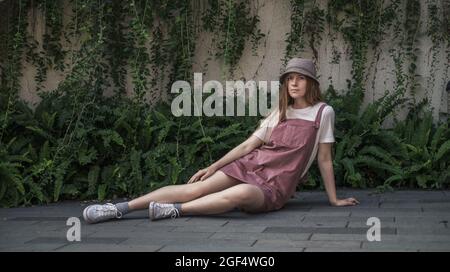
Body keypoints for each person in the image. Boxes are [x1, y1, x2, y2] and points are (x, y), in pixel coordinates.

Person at [83, 58, 359, 224]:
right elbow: (248, 147)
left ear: (311, 83)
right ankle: (119, 209)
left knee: (241, 195)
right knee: (195, 188)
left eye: (301, 79)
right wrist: (213, 167)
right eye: (290, 79)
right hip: (249, 165)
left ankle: (175, 211)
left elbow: (324, 159)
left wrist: (333, 200)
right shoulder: (280, 112)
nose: (294, 84)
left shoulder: (324, 113)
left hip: (275, 185)